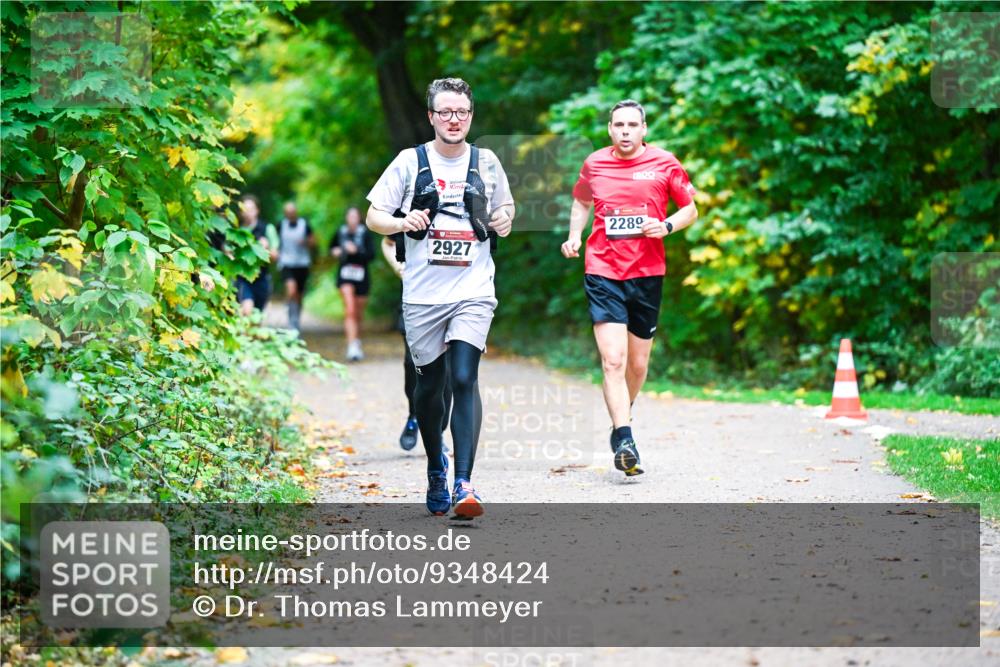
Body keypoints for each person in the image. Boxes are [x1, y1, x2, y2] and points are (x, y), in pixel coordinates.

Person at [365, 77, 514, 518]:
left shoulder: (487, 162)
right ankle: (436, 465)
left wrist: (504, 219)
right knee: (430, 390)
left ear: (471, 116)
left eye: (462, 112)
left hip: (473, 290)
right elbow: (375, 216)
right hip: (423, 296)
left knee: (465, 377)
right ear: (431, 116)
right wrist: (401, 222)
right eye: (446, 112)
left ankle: (464, 484)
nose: (455, 120)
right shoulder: (409, 163)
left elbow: (506, 209)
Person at [561, 99, 698, 477]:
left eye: (632, 125)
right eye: (618, 125)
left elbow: (691, 208)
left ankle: (623, 413)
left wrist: (667, 226)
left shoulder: (664, 163)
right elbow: (581, 201)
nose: (625, 131)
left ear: (643, 129)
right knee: (614, 361)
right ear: (609, 129)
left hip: (647, 273)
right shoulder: (595, 163)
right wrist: (575, 236)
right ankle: (624, 437)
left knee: (638, 365)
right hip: (603, 270)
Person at [380, 236, 454, 454]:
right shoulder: (416, 204)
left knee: (446, 368)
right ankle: (414, 416)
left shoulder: (462, 206)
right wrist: (398, 267)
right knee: (412, 363)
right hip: (416, 298)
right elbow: (387, 241)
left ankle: (438, 432)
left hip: (453, 297)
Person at [330, 206, 375, 361]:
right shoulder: (340, 232)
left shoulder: (364, 233)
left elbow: (372, 255)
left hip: (362, 276)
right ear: (346, 218)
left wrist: (356, 251)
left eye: (355, 216)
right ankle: (351, 346)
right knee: (349, 309)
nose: (352, 219)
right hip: (345, 276)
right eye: (350, 216)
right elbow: (332, 248)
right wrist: (336, 251)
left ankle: (356, 341)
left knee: (358, 312)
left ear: (359, 218)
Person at [235, 194, 278, 316]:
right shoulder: (236, 232)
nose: (248, 212)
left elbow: (275, 257)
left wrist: (266, 248)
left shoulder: (267, 229)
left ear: (257, 211)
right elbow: (229, 254)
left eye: (251, 209)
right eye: (245, 209)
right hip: (243, 278)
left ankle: (253, 334)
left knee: (257, 318)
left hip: (262, 278)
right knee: (247, 311)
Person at [277, 201, 315, 332]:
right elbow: (275, 242)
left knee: (299, 294)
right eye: (288, 213)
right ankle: (291, 320)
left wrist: (305, 242)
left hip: (302, 263)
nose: (290, 215)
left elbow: (313, 242)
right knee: (291, 290)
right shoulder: (280, 225)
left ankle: (296, 318)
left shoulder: (305, 225)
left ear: (296, 212)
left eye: (292, 212)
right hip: (286, 262)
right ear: (285, 214)